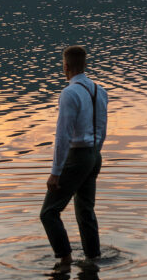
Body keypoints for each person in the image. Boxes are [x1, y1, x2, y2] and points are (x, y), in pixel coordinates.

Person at [40, 45, 108, 265]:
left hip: (78, 157)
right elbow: (103, 127)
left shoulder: (69, 93)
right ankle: (93, 258)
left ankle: (65, 260)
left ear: (65, 66)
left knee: (49, 212)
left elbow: (63, 136)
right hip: (95, 155)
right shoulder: (100, 90)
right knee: (85, 210)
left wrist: (55, 173)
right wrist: (95, 153)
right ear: (85, 65)